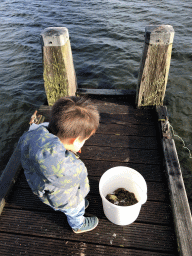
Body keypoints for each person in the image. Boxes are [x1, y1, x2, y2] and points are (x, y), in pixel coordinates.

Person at [19, 96, 100, 234]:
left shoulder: (33, 136)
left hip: (44, 188)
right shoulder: (66, 168)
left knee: (71, 205)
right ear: (75, 141)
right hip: (66, 198)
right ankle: (78, 225)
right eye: (84, 140)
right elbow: (78, 176)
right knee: (75, 210)